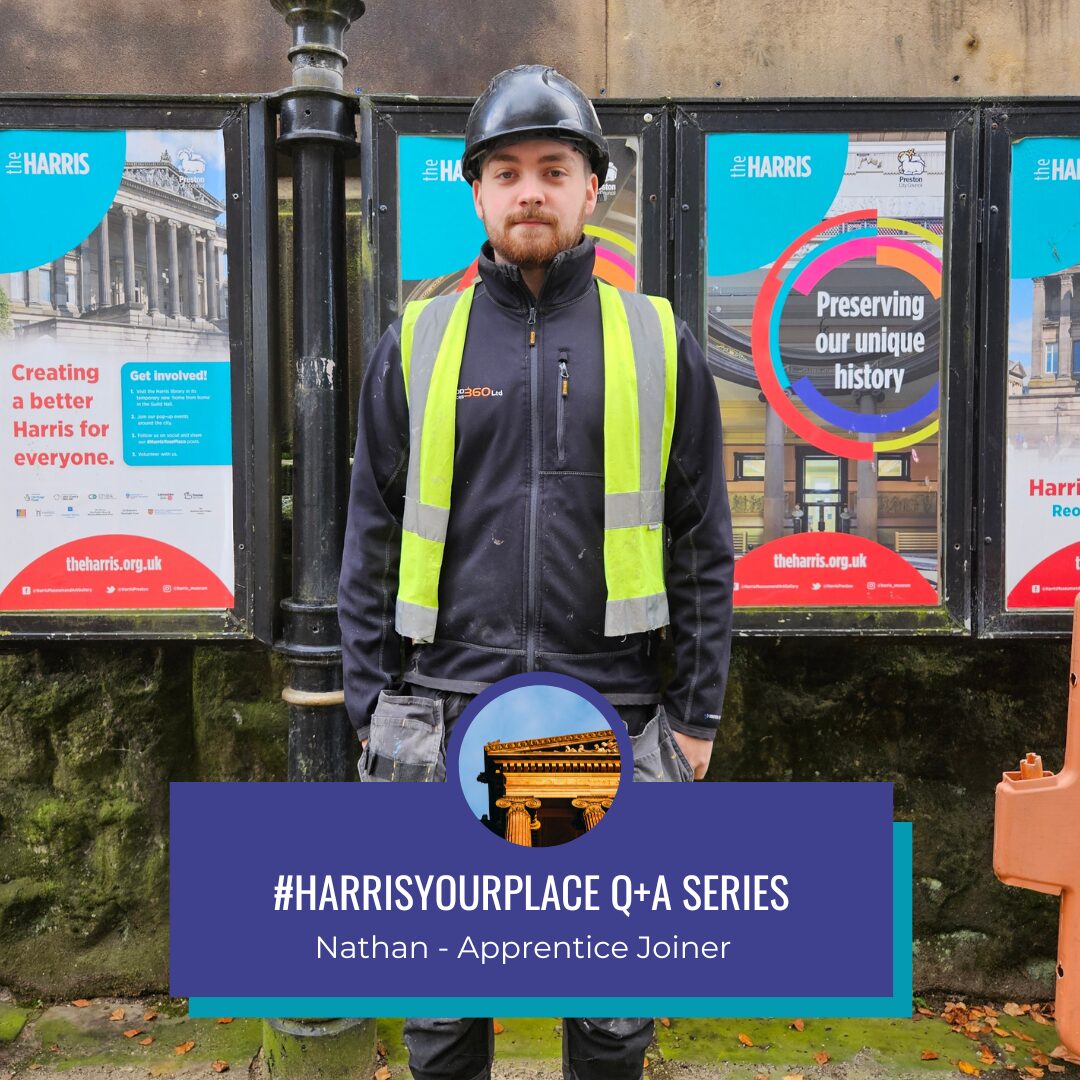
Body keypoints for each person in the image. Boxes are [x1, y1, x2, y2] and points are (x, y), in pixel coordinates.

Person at [339, 64, 734, 1080]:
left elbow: (701, 546)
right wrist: (370, 703)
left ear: (592, 187)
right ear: (475, 190)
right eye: (506, 170)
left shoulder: (655, 341)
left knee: (608, 1020)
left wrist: (692, 724)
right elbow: (369, 533)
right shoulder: (418, 342)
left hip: (608, 705)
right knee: (440, 1018)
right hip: (444, 707)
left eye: (553, 169)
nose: (529, 191)